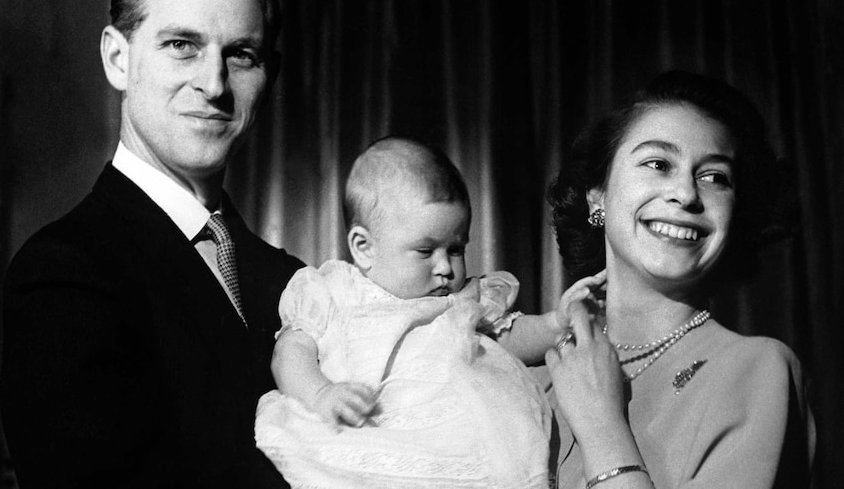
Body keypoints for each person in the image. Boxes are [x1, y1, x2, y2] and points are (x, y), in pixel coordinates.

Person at [0, 0, 303, 488]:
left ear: (269, 76)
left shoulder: (293, 280)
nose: (214, 84)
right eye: (182, 45)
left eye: (241, 54)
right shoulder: (63, 273)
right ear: (118, 58)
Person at [542, 71, 815, 488]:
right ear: (597, 195)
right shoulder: (540, 370)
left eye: (714, 177)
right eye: (658, 164)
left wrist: (601, 425)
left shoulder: (757, 372)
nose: (687, 194)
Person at [255, 137, 571, 488]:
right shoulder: (333, 290)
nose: (445, 268)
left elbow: (508, 340)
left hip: (454, 445)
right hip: (364, 434)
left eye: (456, 249)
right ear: (364, 248)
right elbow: (290, 353)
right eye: (425, 251)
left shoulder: (460, 300)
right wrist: (320, 394)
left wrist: (555, 324)